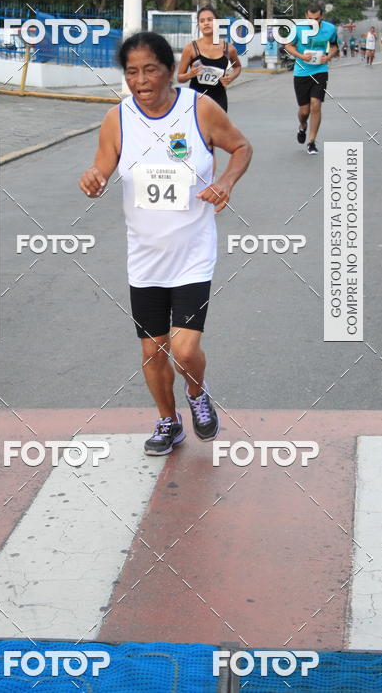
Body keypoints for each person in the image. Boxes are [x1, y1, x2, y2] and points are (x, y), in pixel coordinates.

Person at [79, 31, 252, 456]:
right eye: (132, 72)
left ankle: (197, 392)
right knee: (153, 351)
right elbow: (102, 166)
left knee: (184, 348)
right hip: (145, 258)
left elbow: (241, 146)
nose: (141, 80)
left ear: (169, 71)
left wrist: (226, 180)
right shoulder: (117, 120)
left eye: (150, 70)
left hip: (193, 253)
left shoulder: (200, 109)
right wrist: (94, 179)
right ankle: (168, 422)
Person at [284, 1, 338, 155]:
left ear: (322, 17)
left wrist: (328, 57)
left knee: (316, 105)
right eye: (310, 20)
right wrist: (301, 56)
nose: (313, 23)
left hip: (320, 71)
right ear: (306, 16)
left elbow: (334, 47)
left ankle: (312, 142)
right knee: (304, 111)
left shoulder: (330, 29)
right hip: (301, 72)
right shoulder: (298, 28)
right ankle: (302, 126)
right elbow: (288, 45)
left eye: (317, 20)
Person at [177, 5, 242, 113]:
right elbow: (180, 77)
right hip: (196, 101)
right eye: (202, 21)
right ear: (198, 25)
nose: (206, 23)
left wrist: (231, 77)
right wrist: (190, 74)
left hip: (219, 100)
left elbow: (238, 66)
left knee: (218, 130)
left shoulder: (228, 48)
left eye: (210, 20)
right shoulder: (191, 49)